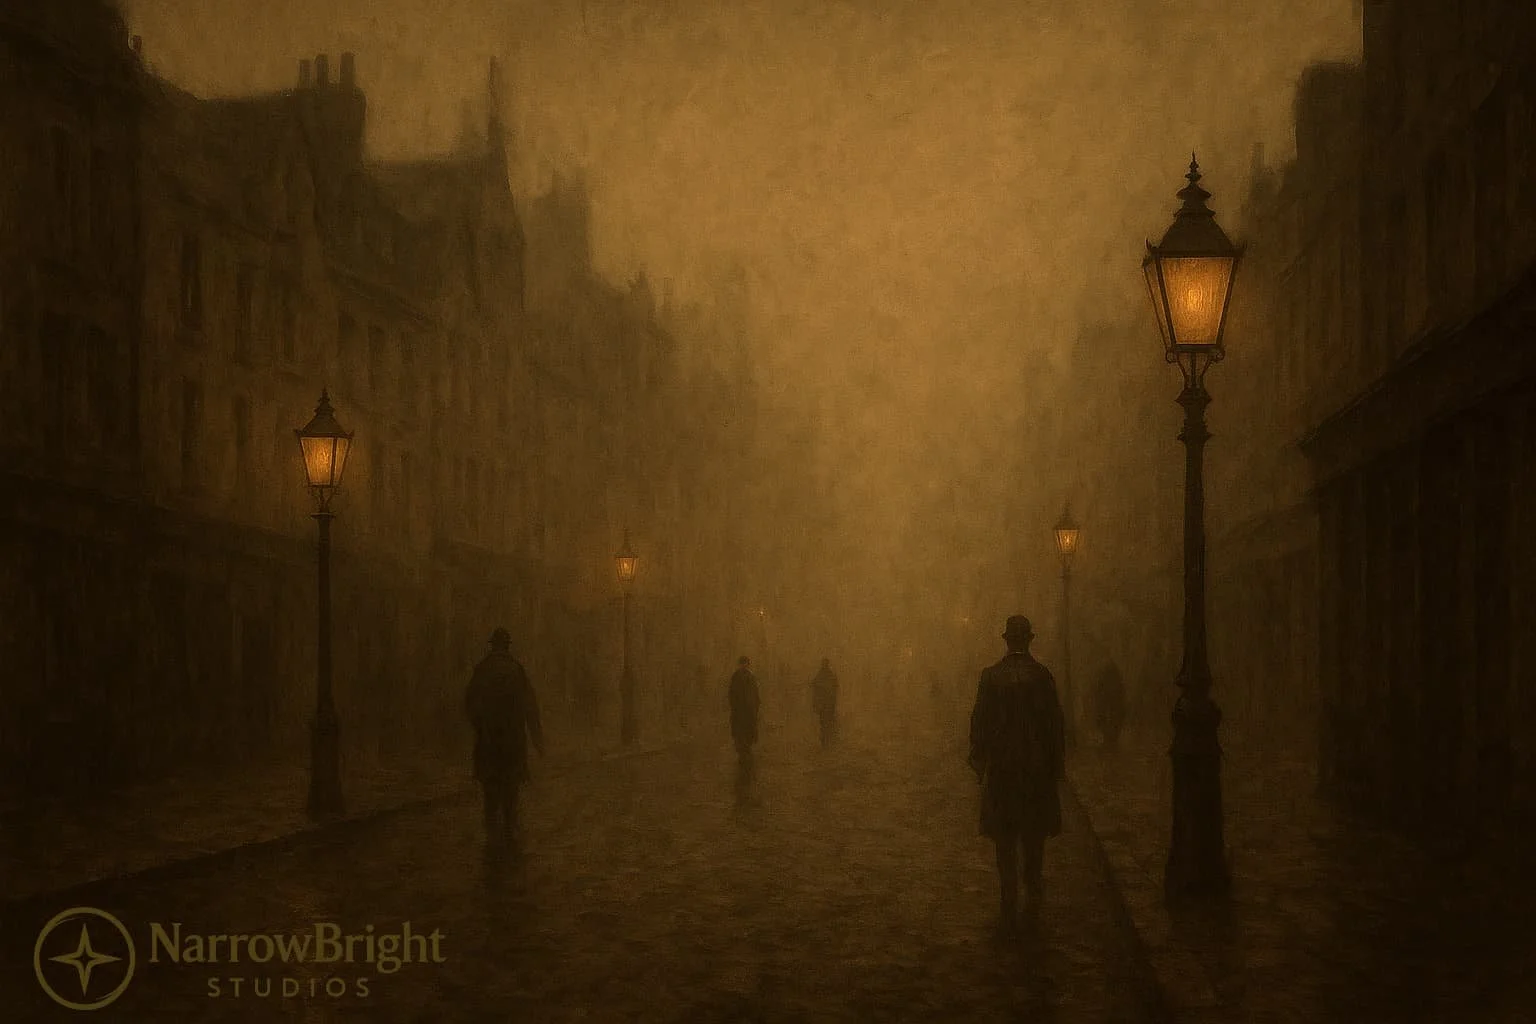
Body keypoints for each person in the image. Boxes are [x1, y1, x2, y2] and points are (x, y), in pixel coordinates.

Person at [968, 615, 1065, 927]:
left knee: (1005, 836)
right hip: (1036, 770)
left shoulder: (991, 677)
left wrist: (979, 759)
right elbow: (1054, 725)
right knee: (1033, 836)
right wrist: (1055, 765)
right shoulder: (1042, 676)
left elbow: (979, 723)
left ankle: (1008, 894)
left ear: (1007, 640)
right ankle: (1033, 890)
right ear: (1029, 640)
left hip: (1003, 770)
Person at [465, 628, 544, 849]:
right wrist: (537, 740)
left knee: (490, 791)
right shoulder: (517, 670)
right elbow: (530, 707)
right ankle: (509, 831)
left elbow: (470, 703)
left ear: (493, 646)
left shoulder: (482, 669)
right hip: (512, 740)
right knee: (510, 789)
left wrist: (480, 727)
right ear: (507, 646)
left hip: (489, 741)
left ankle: (492, 836)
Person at [729, 656, 760, 797]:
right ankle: (744, 758)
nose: (744, 666)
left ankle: (746, 759)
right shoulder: (736, 677)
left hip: (748, 714)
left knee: (747, 736)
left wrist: (754, 709)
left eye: (745, 664)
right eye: (742, 664)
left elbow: (756, 696)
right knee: (740, 737)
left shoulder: (751, 678)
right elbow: (731, 695)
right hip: (739, 713)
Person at [1092, 660, 1127, 749]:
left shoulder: (1107, 680)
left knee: (1111, 717)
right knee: (1111, 717)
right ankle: (1110, 738)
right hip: (1111, 704)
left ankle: (1110, 738)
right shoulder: (1114, 680)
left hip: (1111, 704)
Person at [810, 657, 839, 748]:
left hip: (826, 703)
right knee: (825, 722)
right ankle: (825, 739)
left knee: (825, 722)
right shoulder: (825, 674)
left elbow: (835, 687)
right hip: (825, 704)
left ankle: (826, 739)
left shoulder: (824, 674)